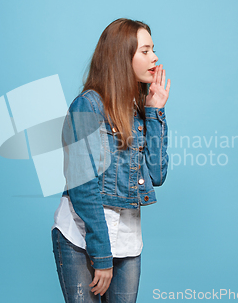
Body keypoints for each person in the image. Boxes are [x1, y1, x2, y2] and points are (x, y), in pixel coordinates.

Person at [51, 18, 170, 303]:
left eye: (153, 49)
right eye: (145, 51)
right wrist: (101, 255)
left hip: (128, 240)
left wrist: (155, 112)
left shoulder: (140, 110)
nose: (154, 57)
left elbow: (157, 174)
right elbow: (84, 187)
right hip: (80, 238)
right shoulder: (88, 105)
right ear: (122, 56)